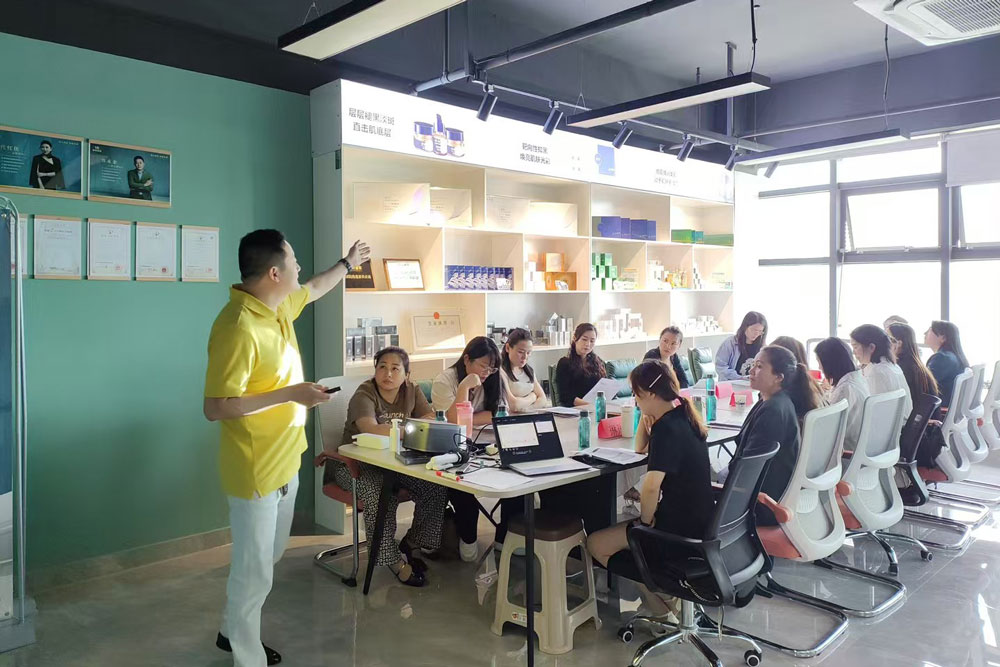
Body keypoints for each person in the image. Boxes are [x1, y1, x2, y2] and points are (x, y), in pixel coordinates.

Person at [203, 230, 369, 667]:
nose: (299, 267)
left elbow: (314, 287)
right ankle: (247, 655)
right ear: (275, 273)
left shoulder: (277, 307)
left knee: (268, 558)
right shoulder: (238, 327)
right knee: (254, 570)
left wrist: (348, 263)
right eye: (293, 260)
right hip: (255, 468)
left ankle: (230, 629)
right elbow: (216, 407)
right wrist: (291, 394)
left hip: (285, 458)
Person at [586, 359, 713, 618]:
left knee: (596, 543)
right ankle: (668, 602)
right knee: (628, 532)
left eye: (636, 394)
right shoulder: (683, 415)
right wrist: (647, 417)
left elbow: (651, 487)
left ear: (651, 394)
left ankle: (661, 611)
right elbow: (639, 448)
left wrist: (644, 524)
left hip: (676, 531)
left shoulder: (667, 428)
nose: (634, 399)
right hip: (700, 524)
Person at [326, 346, 448, 587]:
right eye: (382, 367)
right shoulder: (365, 393)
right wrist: (410, 430)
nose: (388, 374)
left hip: (394, 464)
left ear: (406, 375)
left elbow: (429, 418)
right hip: (353, 466)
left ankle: (412, 543)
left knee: (435, 486)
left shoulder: (411, 390)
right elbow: (370, 428)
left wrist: (404, 430)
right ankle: (392, 560)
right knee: (381, 492)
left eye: (395, 368)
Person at [727, 345, 823, 525]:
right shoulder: (773, 401)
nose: (752, 371)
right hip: (769, 497)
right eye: (753, 365)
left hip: (762, 506)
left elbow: (748, 470)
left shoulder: (773, 410)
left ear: (779, 377)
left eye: (760, 366)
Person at [431, 337, 507, 562]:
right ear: (466, 359)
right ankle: (468, 537)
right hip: (453, 445)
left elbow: (498, 412)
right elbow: (455, 422)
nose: (487, 373)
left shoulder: (493, 377)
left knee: (515, 476)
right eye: (483, 366)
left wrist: (470, 417)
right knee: (462, 485)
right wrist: (464, 387)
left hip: (487, 442)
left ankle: (505, 537)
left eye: (492, 368)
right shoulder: (445, 380)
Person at [814, 337, 869, 453]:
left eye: (819, 362)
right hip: (858, 446)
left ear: (829, 363)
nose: (819, 367)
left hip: (846, 451)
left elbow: (828, 428)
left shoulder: (845, 388)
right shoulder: (857, 378)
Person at [851, 324, 913, 419]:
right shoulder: (892, 366)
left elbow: (874, 412)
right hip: (902, 425)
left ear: (871, 347)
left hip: (888, 426)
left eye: (855, 347)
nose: (853, 352)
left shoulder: (877, 372)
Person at [554, 323, 608, 407]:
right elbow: (565, 397)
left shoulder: (597, 361)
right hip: (576, 409)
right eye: (584, 339)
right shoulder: (565, 363)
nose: (588, 344)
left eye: (592, 341)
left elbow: (605, 386)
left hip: (596, 407)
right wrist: (590, 404)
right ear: (575, 338)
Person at [501, 328, 550, 412]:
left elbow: (543, 399)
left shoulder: (529, 371)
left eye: (528, 353)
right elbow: (513, 405)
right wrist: (532, 397)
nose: (525, 357)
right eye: (520, 352)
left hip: (531, 416)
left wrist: (527, 409)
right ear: (508, 348)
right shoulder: (501, 371)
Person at [925, 320, 969, 409]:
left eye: (930, 330)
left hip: (939, 408)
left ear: (943, 338)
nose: (925, 333)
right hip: (950, 407)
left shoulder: (942, 358)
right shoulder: (952, 356)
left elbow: (924, 385)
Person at [715, 311, 768, 380]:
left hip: (753, 384)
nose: (756, 334)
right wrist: (739, 378)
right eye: (753, 330)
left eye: (760, 331)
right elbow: (721, 367)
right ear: (745, 327)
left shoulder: (763, 347)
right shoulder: (730, 343)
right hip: (732, 382)